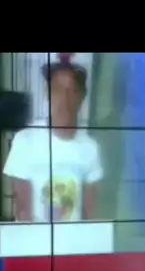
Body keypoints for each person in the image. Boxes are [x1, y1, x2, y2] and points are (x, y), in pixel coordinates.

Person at [3, 53, 103, 222]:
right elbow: (22, 211)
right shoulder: (24, 141)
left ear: (82, 96)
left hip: (74, 238)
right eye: (57, 89)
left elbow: (88, 214)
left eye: (72, 90)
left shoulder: (90, 148)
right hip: (34, 238)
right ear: (47, 92)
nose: (64, 99)